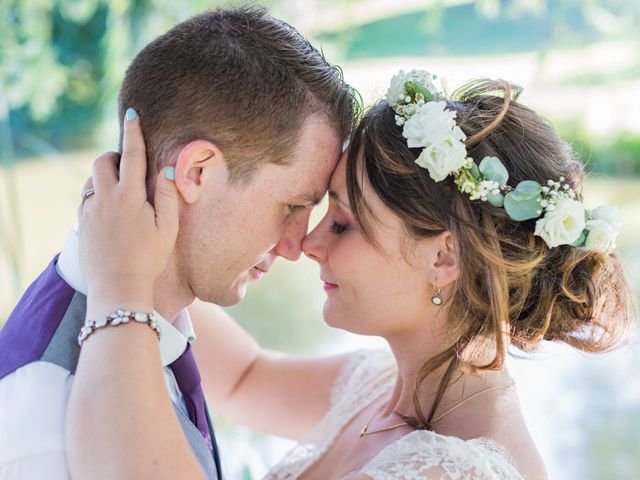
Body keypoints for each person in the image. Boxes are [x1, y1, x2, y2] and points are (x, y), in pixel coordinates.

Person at [69, 69, 636, 479]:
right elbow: (243, 377)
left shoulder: (453, 474)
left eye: (342, 223)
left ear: (443, 258)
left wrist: (119, 282)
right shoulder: (378, 386)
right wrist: (152, 228)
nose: (307, 244)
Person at [0, 6, 357, 479]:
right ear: (197, 173)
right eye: (292, 206)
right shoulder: (44, 416)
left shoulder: (160, 315)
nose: (296, 246)